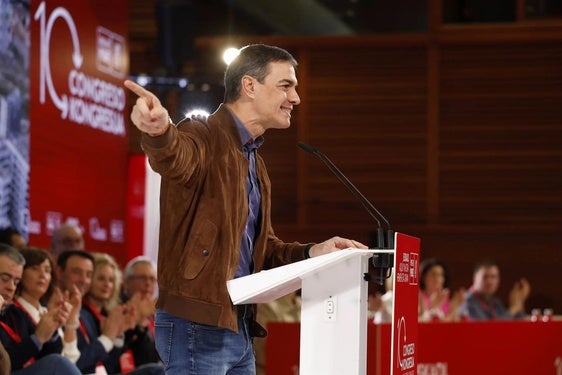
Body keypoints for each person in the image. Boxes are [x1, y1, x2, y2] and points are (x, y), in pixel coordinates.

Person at [123, 43, 367, 374]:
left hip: (240, 324)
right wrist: (159, 131)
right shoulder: (202, 134)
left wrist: (314, 252)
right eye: (286, 85)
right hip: (198, 323)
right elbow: (175, 157)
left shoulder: (254, 162)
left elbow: (263, 250)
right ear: (249, 86)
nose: (295, 98)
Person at [0, 244, 81, 375]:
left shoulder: (14, 313)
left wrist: (51, 330)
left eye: (16, 282)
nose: (11, 287)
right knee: (57, 364)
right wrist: (36, 339)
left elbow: (48, 356)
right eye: (4, 279)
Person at [121, 256, 161, 367]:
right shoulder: (118, 309)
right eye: (142, 278)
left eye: (152, 279)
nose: (148, 283)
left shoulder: (156, 313)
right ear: (126, 282)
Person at [459, 259, 531, 320]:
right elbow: (487, 329)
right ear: (475, 278)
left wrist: (519, 302)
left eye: (493, 277)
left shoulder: (495, 302)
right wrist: (514, 309)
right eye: (485, 277)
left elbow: (517, 321)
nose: (489, 282)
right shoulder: (466, 301)